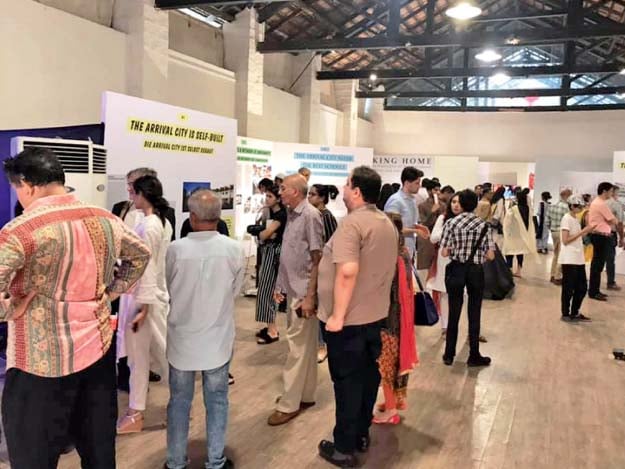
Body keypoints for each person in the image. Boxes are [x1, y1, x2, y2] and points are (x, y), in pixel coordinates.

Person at [0, 148, 150, 468]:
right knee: (97, 451)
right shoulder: (105, 219)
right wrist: (112, 292)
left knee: (33, 455)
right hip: (97, 352)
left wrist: (11, 309)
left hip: (39, 361)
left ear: (27, 185)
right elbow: (140, 255)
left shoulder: (21, 230)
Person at [316, 166, 398, 467]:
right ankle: (361, 433)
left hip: (350, 322)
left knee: (347, 384)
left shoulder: (352, 225)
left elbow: (347, 272)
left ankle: (343, 448)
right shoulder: (385, 223)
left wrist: (337, 316)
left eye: (347, 183)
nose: (344, 186)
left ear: (357, 191)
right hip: (375, 318)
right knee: (366, 381)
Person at [165, 190, 244, 469]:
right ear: (219, 216)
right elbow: (236, 290)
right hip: (217, 337)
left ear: (192, 216)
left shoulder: (175, 249)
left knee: (178, 401)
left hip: (181, 338)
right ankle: (215, 461)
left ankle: (175, 461)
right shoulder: (234, 249)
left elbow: (167, 289)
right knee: (218, 400)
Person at [117, 175, 173, 434]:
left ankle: (137, 412)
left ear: (142, 193)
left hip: (144, 299)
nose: (130, 196)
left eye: (133, 191)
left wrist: (143, 306)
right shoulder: (155, 221)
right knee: (146, 357)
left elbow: (147, 267)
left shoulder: (151, 225)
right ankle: (136, 411)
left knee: (153, 356)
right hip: (143, 297)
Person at [267, 174, 324, 426]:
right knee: (306, 345)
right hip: (294, 290)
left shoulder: (310, 216)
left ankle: (289, 403)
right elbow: (290, 253)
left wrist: (310, 296)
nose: (280, 192)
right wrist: (280, 284)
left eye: (283, 188)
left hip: (303, 293)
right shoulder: (293, 214)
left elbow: (316, 257)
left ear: (297, 192)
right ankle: (306, 394)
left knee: (296, 348)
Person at [440, 190, 495, 367]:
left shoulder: (451, 223)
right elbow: (491, 255)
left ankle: (449, 354)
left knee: (454, 311)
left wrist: (456, 249)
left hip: (456, 269)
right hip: (475, 271)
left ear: (462, 204)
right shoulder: (484, 225)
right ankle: (474, 355)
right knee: (474, 312)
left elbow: (444, 251)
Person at [372, 213, 418, 426]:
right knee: (393, 362)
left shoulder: (391, 257)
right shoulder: (403, 252)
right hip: (400, 318)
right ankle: (392, 403)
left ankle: (390, 409)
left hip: (389, 318)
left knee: (387, 363)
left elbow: (388, 291)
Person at [308, 184, 339, 363]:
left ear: (321, 198)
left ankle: (322, 345)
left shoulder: (326, 217)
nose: (309, 198)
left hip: (323, 267)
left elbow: (328, 244)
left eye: (313, 195)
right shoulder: (315, 216)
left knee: (321, 307)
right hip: (316, 266)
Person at [254, 185, 287, 345]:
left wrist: (262, 233)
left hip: (274, 254)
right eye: (266, 196)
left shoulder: (281, 214)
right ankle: (270, 327)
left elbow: (265, 234)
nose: (266, 199)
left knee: (268, 290)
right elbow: (266, 233)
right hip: (269, 252)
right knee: (265, 289)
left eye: (270, 197)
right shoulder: (271, 212)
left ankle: (273, 330)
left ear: (278, 198)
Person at [559, 195, 595, 322]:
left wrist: (586, 231)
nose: (580, 209)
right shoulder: (566, 219)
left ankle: (574, 311)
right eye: (578, 206)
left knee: (582, 287)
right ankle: (565, 313)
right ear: (572, 206)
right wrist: (583, 231)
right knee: (568, 288)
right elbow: (565, 240)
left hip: (578, 258)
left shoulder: (574, 219)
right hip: (569, 259)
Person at [427, 190, 458, 337]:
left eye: (459, 202)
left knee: (460, 294)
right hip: (444, 259)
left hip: (461, 259)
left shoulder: (468, 220)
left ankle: (454, 324)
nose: (456, 205)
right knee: (444, 293)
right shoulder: (443, 218)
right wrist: (448, 230)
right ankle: (445, 326)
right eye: (453, 202)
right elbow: (433, 238)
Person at [384, 167, 427, 259]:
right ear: (407, 183)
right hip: (396, 251)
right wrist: (416, 231)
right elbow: (392, 228)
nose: (419, 186)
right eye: (417, 183)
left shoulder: (412, 200)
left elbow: (410, 223)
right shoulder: (396, 201)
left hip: (409, 249)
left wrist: (419, 227)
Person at [588, 182, 618, 301]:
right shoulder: (601, 204)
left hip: (599, 236)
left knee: (598, 264)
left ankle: (594, 290)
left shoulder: (596, 202)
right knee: (597, 265)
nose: (611, 193)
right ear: (604, 191)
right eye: (611, 191)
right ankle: (594, 292)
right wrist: (612, 221)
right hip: (601, 237)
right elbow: (613, 220)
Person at [502, 191, 537, 278]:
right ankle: (519, 271)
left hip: (513, 234)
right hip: (523, 235)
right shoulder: (528, 209)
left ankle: (509, 270)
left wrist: (505, 231)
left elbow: (507, 222)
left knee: (509, 252)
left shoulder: (513, 209)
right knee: (520, 253)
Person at [417, 178, 443, 275]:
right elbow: (423, 223)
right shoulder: (422, 206)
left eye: (438, 190)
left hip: (439, 238)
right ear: (429, 191)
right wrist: (432, 212)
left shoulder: (443, 205)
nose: (438, 192)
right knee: (426, 266)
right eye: (435, 190)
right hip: (427, 237)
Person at [547, 188, 572, 285]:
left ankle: (552, 275)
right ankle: (558, 277)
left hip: (553, 232)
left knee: (556, 254)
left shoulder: (552, 206)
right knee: (562, 255)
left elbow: (547, 221)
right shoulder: (567, 208)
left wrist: (552, 228)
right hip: (562, 232)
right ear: (567, 196)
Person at [605, 186, 624, 291]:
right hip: (610, 234)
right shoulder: (616, 204)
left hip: (598, 234)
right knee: (610, 260)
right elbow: (619, 223)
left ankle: (594, 285)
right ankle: (610, 282)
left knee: (597, 260)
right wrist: (622, 238)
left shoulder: (600, 203)